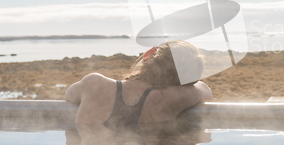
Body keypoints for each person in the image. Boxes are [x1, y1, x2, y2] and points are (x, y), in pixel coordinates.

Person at [65, 40, 212, 125]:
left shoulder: (94, 84)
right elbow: (205, 90)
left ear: (148, 54)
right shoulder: (173, 98)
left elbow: (69, 97)